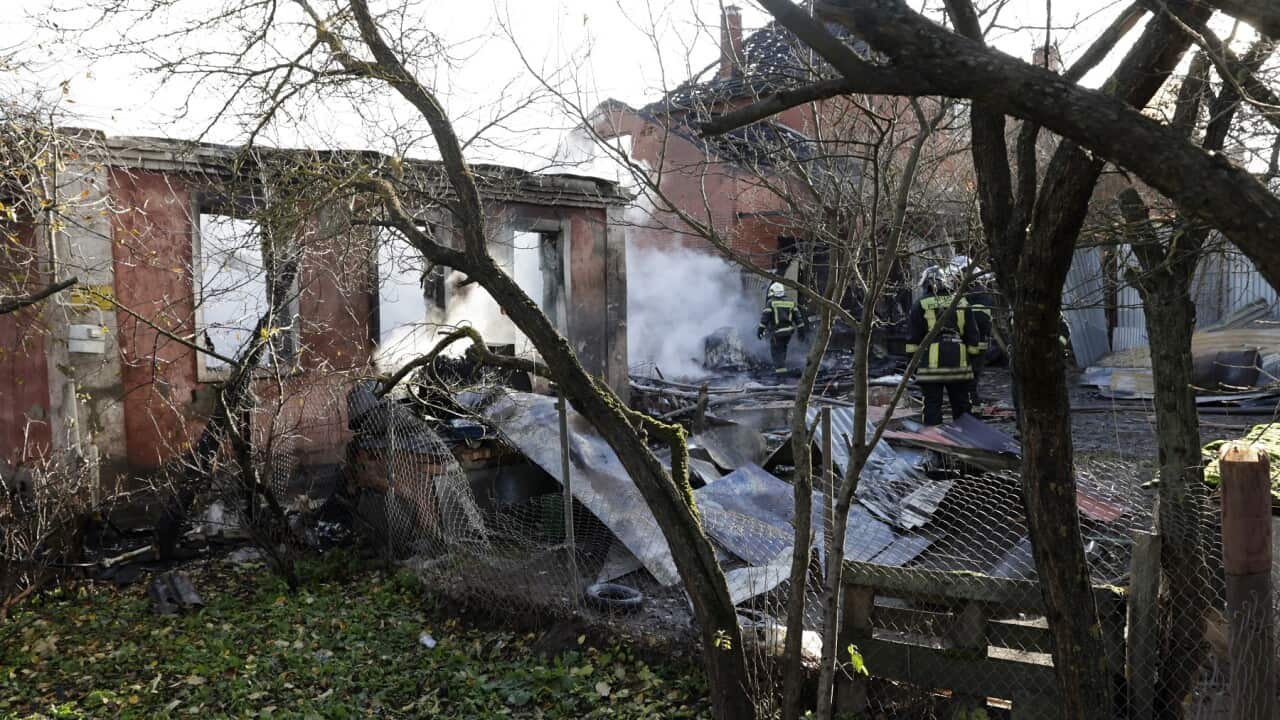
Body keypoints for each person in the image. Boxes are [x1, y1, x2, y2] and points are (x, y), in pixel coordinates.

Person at [906, 265, 981, 425]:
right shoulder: (961, 302)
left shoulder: (920, 304)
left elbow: (913, 339)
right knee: (962, 405)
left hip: (931, 366)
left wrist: (913, 364)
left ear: (925, 284)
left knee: (932, 405)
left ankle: (933, 438)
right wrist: (972, 361)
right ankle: (966, 436)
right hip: (959, 363)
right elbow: (972, 335)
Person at [950, 256, 994, 407]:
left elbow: (976, 322)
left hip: (972, 345)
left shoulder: (973, 296)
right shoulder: (980, 293)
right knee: (970, 380)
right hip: (977, 344)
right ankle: (972, 409)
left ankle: (970, 411)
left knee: (968, 381)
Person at [757, 282, 807, 373]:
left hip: (777, 333)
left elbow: (765, 319)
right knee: (783, 350)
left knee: (776, 353)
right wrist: (801, 332)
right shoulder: (791, 302)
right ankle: (782, 369)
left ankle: (781, 375)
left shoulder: (771, 302)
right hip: (788, 333)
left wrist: (760, 330)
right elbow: (799, 319)